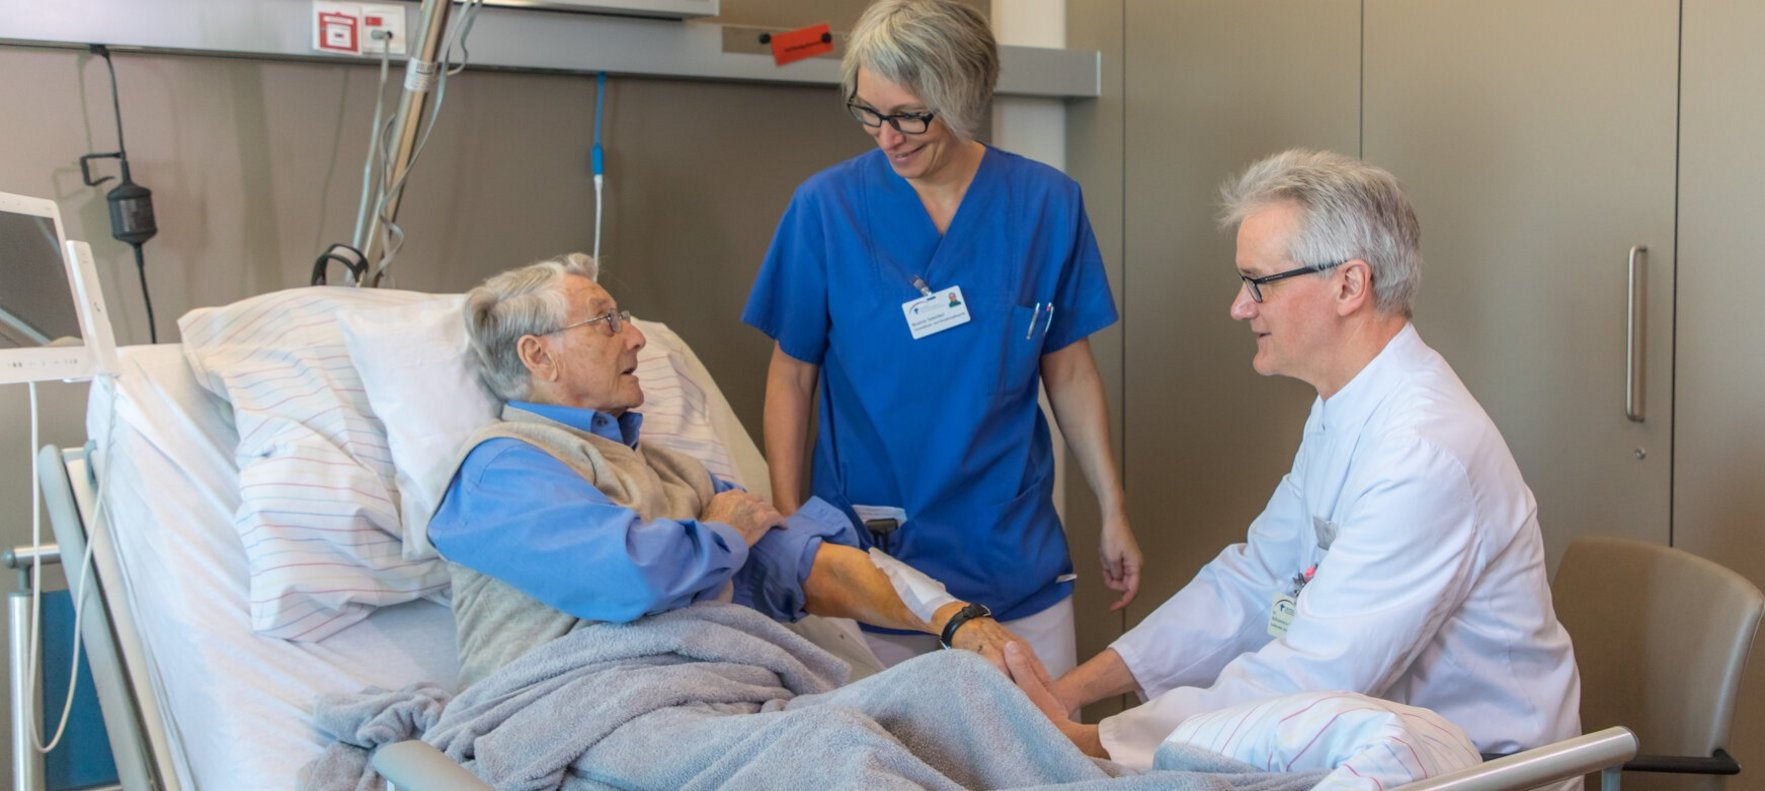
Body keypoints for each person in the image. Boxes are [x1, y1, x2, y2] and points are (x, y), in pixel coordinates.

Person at [1005, 149, 1582, 770]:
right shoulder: (1345, 406)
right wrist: (1069, 693)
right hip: (1373, 744)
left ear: (1348, 285)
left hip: (1483, 771)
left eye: (1260, 282)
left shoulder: (1423, 452)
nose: (1240, 305)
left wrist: (1102, 740)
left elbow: (1311, 676)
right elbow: (1253, 581)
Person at [742, 0, 1137, 679]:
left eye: (909, 115)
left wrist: (1113, 507)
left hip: (1010, 554)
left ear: (965, 96)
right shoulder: (826, 209)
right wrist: (792, 528)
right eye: (868, 112)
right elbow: (792, 375)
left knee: (1041, 759)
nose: (886, 137)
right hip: (873, 559)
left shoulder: (1047, 205)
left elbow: (1067, 368)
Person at [428, 254, 1024, 688]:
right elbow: (630, 578)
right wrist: (724, 534)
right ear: (538, 355)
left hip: (703, 698)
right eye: (607, 321)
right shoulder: (503, 466)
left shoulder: (673, 471)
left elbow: (801, 563)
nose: (636, 337)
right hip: (576, 709)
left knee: (958, 707)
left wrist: (951, 619)